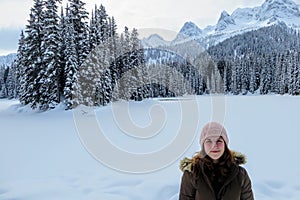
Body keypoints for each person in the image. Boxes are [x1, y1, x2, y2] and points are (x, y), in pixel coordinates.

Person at [179, 122, 254, 200]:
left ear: (225, 144)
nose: (214, 145)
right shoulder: (191, 173)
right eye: (209, 141)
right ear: (203, 145)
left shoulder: (240, 174)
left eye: (219, 141)